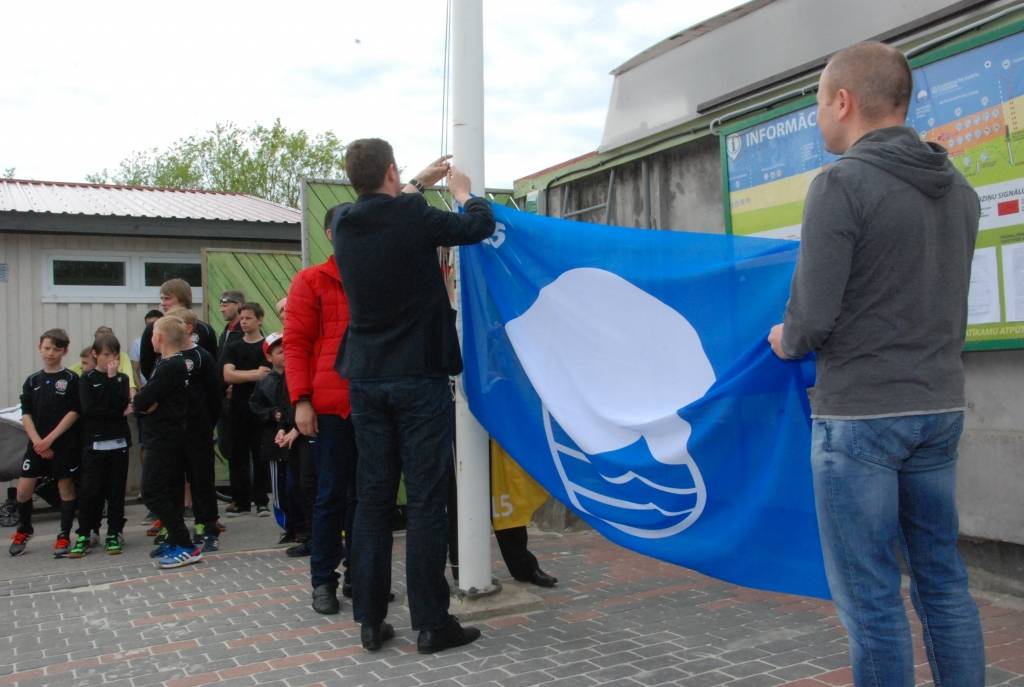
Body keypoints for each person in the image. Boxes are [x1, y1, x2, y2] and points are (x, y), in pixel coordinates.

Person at [767, 42, 985, 686]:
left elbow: (812, 320)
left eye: (817, 104)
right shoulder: (960, 189)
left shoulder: (839, 185)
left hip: (861, 417)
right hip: (939, 408)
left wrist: (785, 338)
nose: (817, 119)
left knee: (871, 600)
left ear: (843, 101)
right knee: (943, 582)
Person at [334, 139, 494, 653]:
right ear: (390, 170)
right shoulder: (414, 216)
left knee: (373, 499)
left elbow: (388, 206)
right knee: (426, 500)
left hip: (366, 377)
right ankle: (431, 623)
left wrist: (419, 182)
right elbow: (478, 227)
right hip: (418, 375)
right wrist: (465, 194)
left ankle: (369, 620)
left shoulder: (342, 221)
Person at [284, 203, 357, 612]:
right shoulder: (311, 280)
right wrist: (301, 400)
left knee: (368, 497)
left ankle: (362, 576)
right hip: (330, 407)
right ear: (330, 234)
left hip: (373, 403)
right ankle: (323, 581)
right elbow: (295, 345)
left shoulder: (374, 275)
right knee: (331, 495)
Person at [134, 315, 202, 569]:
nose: (150, 339)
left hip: (164, 438)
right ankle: (175, 538)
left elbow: (142, 401)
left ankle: (185, 544)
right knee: (169, 491)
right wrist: (147, 402)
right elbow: (147, 401)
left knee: (151, 492)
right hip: (164, 436)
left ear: (160, 337)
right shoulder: (166, 364)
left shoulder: (171, 366)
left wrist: (143, 402)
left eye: (152, 334)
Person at [9, 329, 80, 557]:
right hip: (36, 445)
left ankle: (64, 535)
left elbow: (74, 412)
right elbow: (26, 413)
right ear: (39, 348)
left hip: (62, 445)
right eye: (47, 348)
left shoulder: (71, 379)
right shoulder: (32, 381)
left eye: (56, 349)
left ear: (64, 351)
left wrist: (50, 439)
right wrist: (38, 442)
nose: (50, 353)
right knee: (23, 491)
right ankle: (24, 529)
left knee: (65, 489)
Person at [69, 333, 131, 557]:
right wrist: (114, 410)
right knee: (90, 491)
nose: (110, 360)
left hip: (118, 442)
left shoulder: (122, 379)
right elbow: (90, 409)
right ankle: (85, 532)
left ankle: (114, 532)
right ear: (95, 354)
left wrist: (112, 380)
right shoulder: (86, 379)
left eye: (114, 355)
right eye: (105, 355)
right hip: (94, 443)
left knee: (116, 491)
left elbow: (121, 404)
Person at [165, 307, 222, 553]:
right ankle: (174, 530)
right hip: (173, 431)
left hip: (198, 429)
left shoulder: (202, 357)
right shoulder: (166, 358)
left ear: (187, 328)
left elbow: (215, 395)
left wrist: (206, 423)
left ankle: (207, 526)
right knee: (173, 480)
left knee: (201, 479)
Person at [249, 332, 309, 548]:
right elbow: (254, 406)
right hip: (274, 443)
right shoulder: (265, 381)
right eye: (280, 352)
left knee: (297, 486)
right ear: (269, 357)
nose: (285, 355)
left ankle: (301, 526)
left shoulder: (296, 375)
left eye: (287, 350)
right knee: (279, 489)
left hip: (294, 440)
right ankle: (288, 526)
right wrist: (270, 414)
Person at [222, 302, 271, 516]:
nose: (243, 322)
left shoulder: (266, 346)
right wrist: (252, 375)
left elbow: (264, 374)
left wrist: (239, 375)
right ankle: (240, 500)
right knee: (237, 454)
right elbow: (227, 375)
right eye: (241, 318)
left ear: (259, 319)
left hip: (260, 408)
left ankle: (261, 500)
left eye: (248, 318)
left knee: (260, 455)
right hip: (237, 408)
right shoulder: (233, 346)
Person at [138, 279, 217, 380]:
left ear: (182, 299)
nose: (162, 303)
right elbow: (146, 364)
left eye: (167, 298)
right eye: (161, 299)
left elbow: (213, 363)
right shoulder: (153, 328)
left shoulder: (204, 329)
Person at [130, 310, 163, 389]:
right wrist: (141, 389)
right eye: (148, 325)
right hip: (146, 385)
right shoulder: (137, 343)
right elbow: (135, 370)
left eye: (154, 324)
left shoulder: (170, 342)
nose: (150, 328)